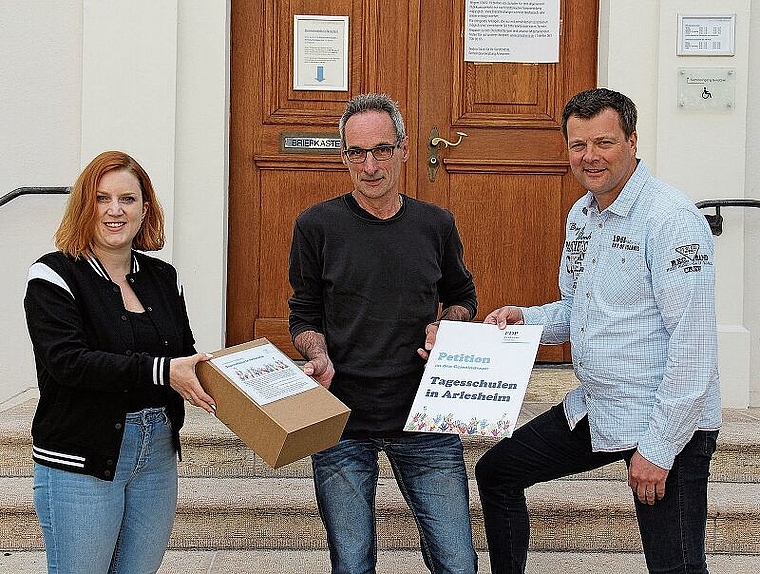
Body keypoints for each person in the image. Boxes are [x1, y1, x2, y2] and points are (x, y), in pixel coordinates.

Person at [475, 88, 722, 574]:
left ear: (632, 140)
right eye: (578, 145)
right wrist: (525, 319)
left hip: (665, 418)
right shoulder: (581, 216)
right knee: (497, 472)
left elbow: (693, 350)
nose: (590, 157)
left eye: (604, 142)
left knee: (675, 568)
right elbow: (579, 309)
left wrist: (658, 448)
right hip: (600, 405)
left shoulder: (672, 220)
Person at [288, 93, 479, 574]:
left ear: (405, 149)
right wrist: (316, 354)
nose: (369, 165)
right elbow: (304, 313)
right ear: (344, 156)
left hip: (424, 414)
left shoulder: (436, 224)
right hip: (342, 418)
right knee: (351, 564)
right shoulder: (317, 226)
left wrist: (449, 327)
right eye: (357, 152)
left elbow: (463, 297)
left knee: (457, 561)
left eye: (382, 150)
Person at [24, 150, 217, 574]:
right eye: (102, 198)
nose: (115, 211)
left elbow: (185, 357)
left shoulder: (164, 278)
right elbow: (68, 362)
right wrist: (161, 370)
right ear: (84, 206)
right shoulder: (53, 276)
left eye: (127, 199)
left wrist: (277, 378)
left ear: (144, 209)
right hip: (83, 458)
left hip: (156, 455)